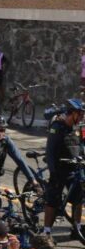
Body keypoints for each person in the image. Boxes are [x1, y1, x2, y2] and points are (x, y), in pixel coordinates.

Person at [43, 98, 84, 238]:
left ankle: (76, 228)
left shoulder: (77, 127)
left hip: (74, 168)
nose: (82, 117)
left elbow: (81, 145)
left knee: (78, 199)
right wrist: (53, 172)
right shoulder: (57, 126)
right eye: (80, 114)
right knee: (53, 201)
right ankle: (46, 231)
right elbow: (50, 151)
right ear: (72, 113)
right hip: (59, 169)